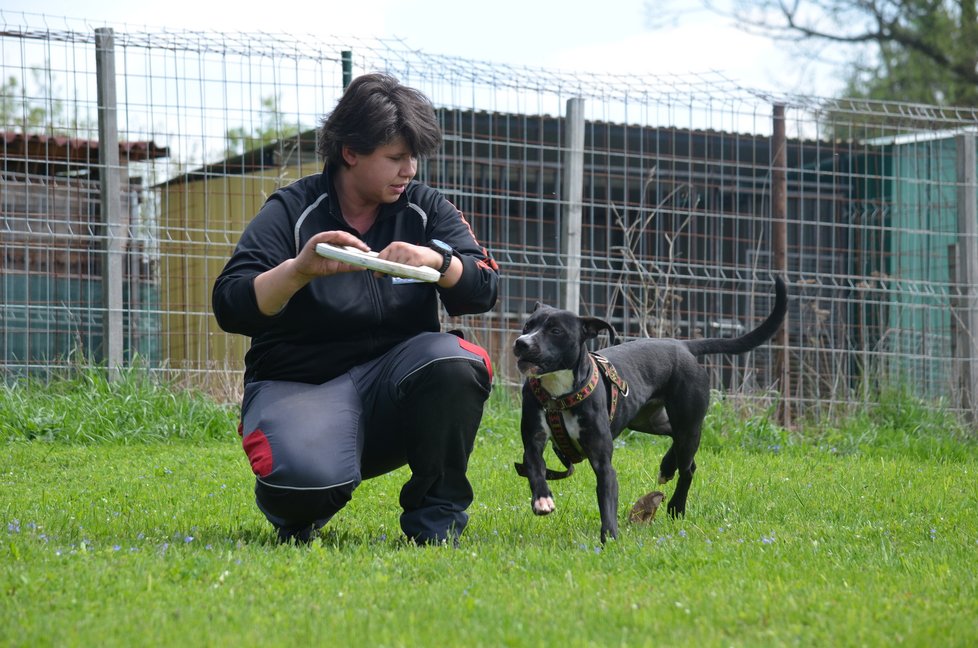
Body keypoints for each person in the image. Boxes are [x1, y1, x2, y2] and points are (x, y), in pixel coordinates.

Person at [212, 73, 499, 545]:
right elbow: (230, 303)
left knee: (454, 360)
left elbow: (483, 286)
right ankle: (307, 486)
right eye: (395, 157)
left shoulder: (425, 210)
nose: (409, 170)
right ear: (350, 152)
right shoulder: (292, 209)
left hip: (393, 389)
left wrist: (438, 260)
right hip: (303, 386)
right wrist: (299, 270)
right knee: (302, 488)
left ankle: (436, 524)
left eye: (414, 157)